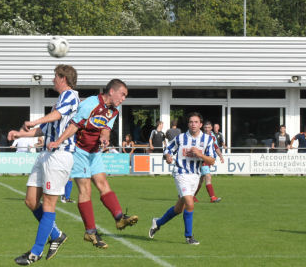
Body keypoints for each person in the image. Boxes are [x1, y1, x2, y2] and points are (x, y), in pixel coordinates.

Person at [49, 79, 138, 250]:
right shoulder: (90, 104)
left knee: (103, 183)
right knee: (86, 190)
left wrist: (105, 137)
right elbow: (74, 125)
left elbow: (105, 127)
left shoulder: (114, 110)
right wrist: (58, 141)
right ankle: (90, 231)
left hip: (94, 152)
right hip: (79, 151)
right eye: (123, 94)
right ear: (112, 91)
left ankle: (119, 217)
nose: (124, 99)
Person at [7, 65, 80, 265]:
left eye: (55, 77)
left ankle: (36, 252)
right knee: (31, 201)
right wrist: (20, 133)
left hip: (60, 155)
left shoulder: (71, 96)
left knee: (48, 204)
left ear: (63, 78)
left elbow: (56, 117)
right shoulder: (59, 100)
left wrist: (33, 121)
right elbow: (44, 129)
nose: (52, 80)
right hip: (46, 155)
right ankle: (56, 235)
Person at [148, 112, 216, 245]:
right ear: (188, 124)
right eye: (191, 122)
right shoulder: (180, 138)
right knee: (190, 204)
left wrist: (200, 155)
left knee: (179, 208)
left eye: (196, 122)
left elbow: (212, 160)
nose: (193, 124)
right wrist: (167, 157)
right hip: (180, 173)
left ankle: (158, 222)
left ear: (201, 124)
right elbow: (167, 150)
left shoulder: (207, 140)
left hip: (195, 176)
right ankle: (189, 236)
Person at [193, 121, 223, 203]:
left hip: (208, 159)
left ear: (211, 128)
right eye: (205, 127)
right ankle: (212, 197)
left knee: (201, 179)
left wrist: (220, 156)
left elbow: (216, 147)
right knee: (208, 176)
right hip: (202, 160)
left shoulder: (212, 137)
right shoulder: (200, 136)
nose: (207, 129)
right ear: (203, 128)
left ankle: (192, 196)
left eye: (208, 127)